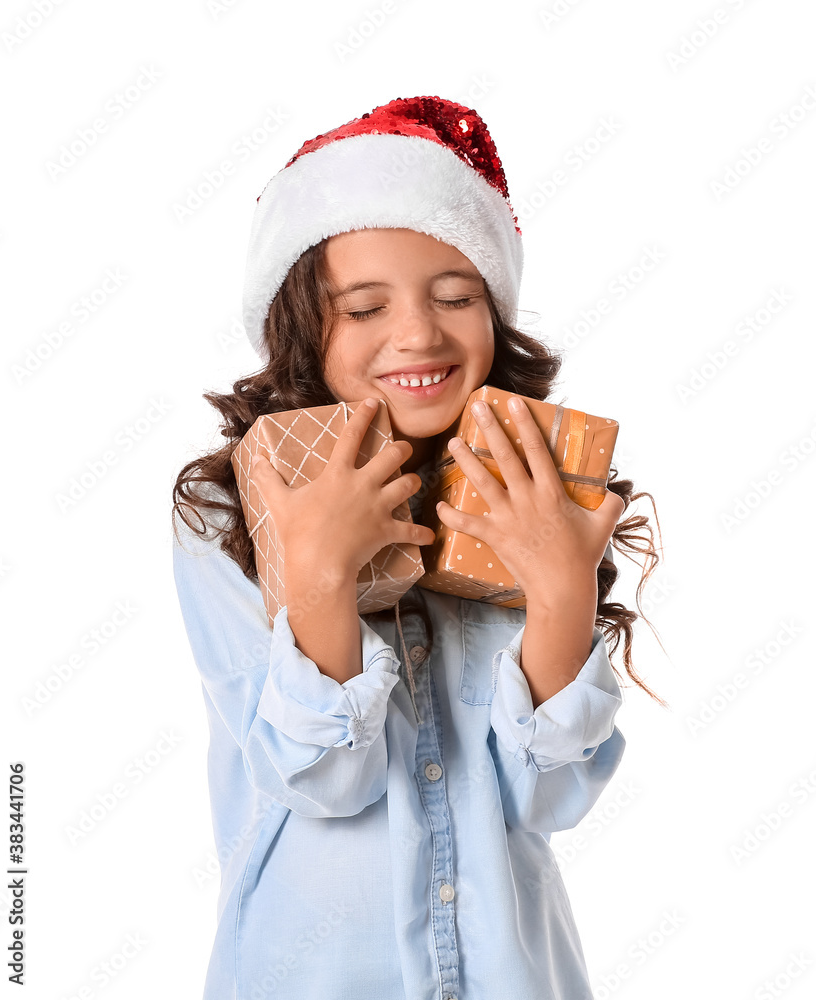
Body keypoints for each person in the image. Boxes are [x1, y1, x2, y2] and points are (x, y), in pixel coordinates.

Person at [171, 95, 666, 1000]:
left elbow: (549, 801)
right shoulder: (227, 509)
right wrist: (321, 576)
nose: (420, 334)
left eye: (456, 296)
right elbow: (318, 780)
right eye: (364, 307)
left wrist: (562, 590)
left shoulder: (544, 490)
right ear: (300, 329)